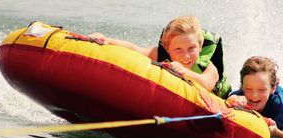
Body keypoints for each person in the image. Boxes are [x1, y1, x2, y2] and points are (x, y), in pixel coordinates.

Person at [89, 15, 231, 98]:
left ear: (200, 46)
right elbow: (134, 49)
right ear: (168, 49)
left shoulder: (210, 66)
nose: (186, 55)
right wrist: (107, 40)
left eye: (191, 48)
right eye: (178, 50)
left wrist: (183, 71)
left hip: (219, 98)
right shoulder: (160, 54)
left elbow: (206, 84)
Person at [225, 56, 283, 138]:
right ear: (242, 86)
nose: (254, 96)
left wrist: (276, 133)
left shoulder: (279, 107)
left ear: (273, 88)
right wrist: (231, 100)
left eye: (262, 90)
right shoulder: (238, 99)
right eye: (249, 89)